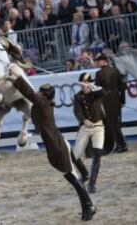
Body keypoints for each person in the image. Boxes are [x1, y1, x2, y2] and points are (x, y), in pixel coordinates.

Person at [7, 64, 96, 221]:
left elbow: (29, 93)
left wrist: (17, 76)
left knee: (73, 180)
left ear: (44, 95)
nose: (38, 93)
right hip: (58, 143)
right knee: (73, 177)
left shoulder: (41, 103)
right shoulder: (44, 104)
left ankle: (89, 206)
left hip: (57, 146)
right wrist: (14, 80)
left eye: (41, 92)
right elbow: (30, 94)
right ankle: (85, 180)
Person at [73, 72, 106, 193]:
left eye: (86, 83)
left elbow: (103, 93)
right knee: (75, 156)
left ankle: (92, 184)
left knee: (97, 154)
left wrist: (95, 87)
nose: (83, 85)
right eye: (82, 83)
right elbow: (77, 111)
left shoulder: (95, 93)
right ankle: (84, 173)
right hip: (85, 128)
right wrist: (84, 120)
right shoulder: (78, 97)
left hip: (98, 127)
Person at [94, 53, 128, 153]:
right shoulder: (115, 71)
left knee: (113, 123)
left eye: (99, 61)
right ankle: (119, 143)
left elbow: (97, 88)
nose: (97, 63)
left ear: (104, 61)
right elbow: (122, 87)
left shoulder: (99, 73)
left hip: (107, 99)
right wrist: (122, 100)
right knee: (115, 122)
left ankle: (122, 144)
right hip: (116, 97)